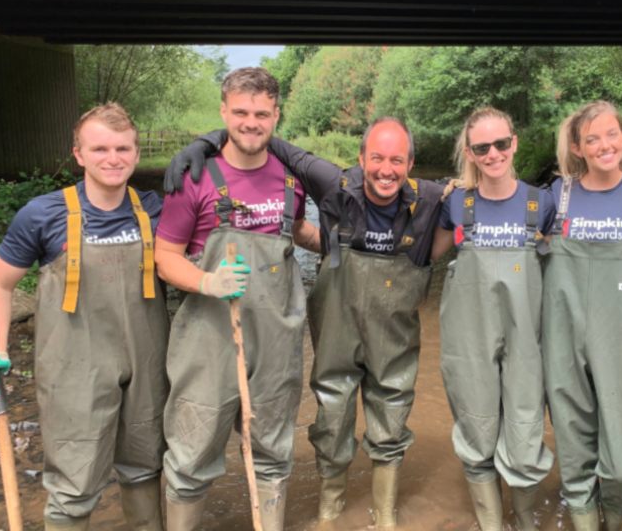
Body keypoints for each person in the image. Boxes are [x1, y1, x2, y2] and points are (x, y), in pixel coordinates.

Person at [164, 116, 444, 529]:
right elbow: (263, 137)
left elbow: (484, 190)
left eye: (398, 160)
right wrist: (207, 142)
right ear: (360, 157)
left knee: (393, 412)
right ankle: (330, 513)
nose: (387, 169)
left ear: (412, 163)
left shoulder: (435, 199)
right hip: (336, 330)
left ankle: (385, 516)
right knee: (331, 413)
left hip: (394, 335)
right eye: (378, 158)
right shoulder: (331, 183)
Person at [0, 103, 167, 531]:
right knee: (73, 487)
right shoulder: (42, 215)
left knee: (145, 469)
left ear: (136, 153)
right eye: (99, 148)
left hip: (147, 365)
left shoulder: (155, 210)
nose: (112, 158)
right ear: (78, 154)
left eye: (122, 148)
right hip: (73, 372)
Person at [154, 67, 318, 531]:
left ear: (276, 116)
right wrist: (208, 282)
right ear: (224, 110)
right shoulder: (193, 177)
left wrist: (343, 240)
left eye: (262, 113)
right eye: (241, 111)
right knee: (190, 453)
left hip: (276, 344)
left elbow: (296, 231)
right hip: (207, 342)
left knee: (273, 450)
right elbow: (164, 256)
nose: (251, 122)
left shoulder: (291, 179)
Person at [431, 107, 555, 531]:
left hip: (526, 339)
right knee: (477, 427)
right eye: (482, 147)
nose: (493, 154)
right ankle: (490, 524)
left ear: (514, 142)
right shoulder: (456, 204)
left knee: (524, 428)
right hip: (469, 340)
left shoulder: (543, 203)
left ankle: (523, 521)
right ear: (470, 152)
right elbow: (425, 256)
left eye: (501, 143)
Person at [542, 100, 622, 531]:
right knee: (572, 435)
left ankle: (615, 518)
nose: (604, 145)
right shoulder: (557, 196)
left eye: (611, 134)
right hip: (563, 333)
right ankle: (582, 517)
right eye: (592, 138)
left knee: (621, 437)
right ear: (577, 148)